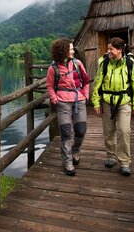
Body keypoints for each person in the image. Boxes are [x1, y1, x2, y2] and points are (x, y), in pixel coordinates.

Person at [91, 37, 134, 176]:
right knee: (108, 131)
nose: (108, 52)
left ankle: (124, 162)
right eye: (108, 49)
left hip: (124, 102)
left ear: (119, 50)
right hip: (107, 101)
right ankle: (111, 156)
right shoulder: (104, 63)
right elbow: (97, 83)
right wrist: (96, 102)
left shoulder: (129, 63)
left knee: (124, 131)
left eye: (111, 49)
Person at [46, 39, 89, 176]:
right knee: (65, 133)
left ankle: (76, 150)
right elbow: (50, 86)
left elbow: (86, 80)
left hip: (79, 100)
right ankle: (67, 161)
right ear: (63, 51)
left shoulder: (78, 64)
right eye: (70, 49)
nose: (73, 51)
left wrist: (85, 95)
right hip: (63, 103)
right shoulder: (53, 69)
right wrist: (55, 99)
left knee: (81, 130)